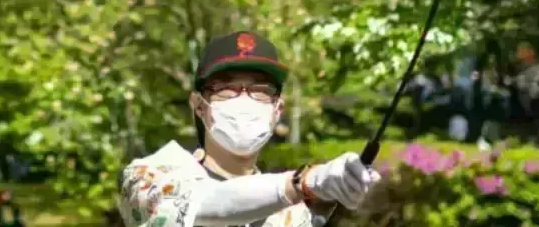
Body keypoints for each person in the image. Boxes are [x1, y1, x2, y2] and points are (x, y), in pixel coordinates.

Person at [118, 32, 381, 227]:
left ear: (277, 110)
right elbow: (209, 203)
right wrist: (304, 183)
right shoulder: (149, 177)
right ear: (199, 105)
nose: (243, 100)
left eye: (260, 90)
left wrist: (335, 192)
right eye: (226, 89)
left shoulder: (292, 216)